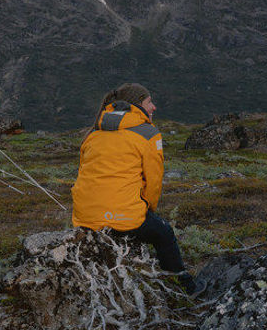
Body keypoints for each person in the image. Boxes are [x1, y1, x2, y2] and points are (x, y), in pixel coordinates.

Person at [71, 83, 195, 293]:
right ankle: (183, 287)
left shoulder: (93, 134)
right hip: (123, 218)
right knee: (163, 233)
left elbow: (84, 174)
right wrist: (147, 210)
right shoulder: (148, 134)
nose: (153, 107)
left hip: (85, 219)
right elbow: (153, 183)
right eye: (149, 102)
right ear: (138, 106)